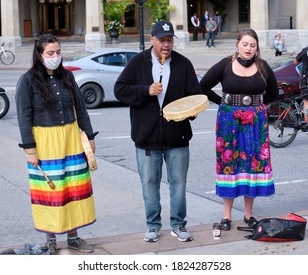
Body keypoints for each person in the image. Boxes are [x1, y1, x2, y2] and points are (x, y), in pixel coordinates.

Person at [114, 20, 201, 242]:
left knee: (178, 184)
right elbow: (120, 90)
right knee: (150, 184)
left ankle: (178, 225)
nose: (166, 44)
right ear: (151, 39)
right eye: (162, 40)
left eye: (169, 40)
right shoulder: (137, 62)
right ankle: (153, 225)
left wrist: (189, 111)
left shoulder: (183, 64)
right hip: (147, 137)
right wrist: (146, 90)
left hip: (178, 137)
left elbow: (194, 95)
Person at [15, 33, 97, 254]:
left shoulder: (67, 77)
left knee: (74, 186)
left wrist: (89, 137)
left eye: (58, 52)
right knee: (51, 189)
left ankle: (74, 237)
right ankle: (50, 238)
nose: (55, 56)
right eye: (50, 53)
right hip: (45, 141)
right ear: (40, 55)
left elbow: (80, 108)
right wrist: (30, 150)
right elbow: (24, 117)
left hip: (70, 138)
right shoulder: (28, 80)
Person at [200, 29, 279, 231]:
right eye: (245, 44)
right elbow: (203, 86)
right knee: (229, 163)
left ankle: (248, 215)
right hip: (229, 122)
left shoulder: (263, 67)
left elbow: (272, 92)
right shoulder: (226, 64)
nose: (248, 48)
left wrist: (257, 108)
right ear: (237, 44)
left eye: (252, 45)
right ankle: (226, 216)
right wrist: (223, 103)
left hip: (255, 122)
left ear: (256, 47)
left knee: (252, 163)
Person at [294, 46, 308, 123]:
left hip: (306, 79)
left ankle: (307, 122)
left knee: (306, 101)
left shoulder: (305, 50)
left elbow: (295, 62)